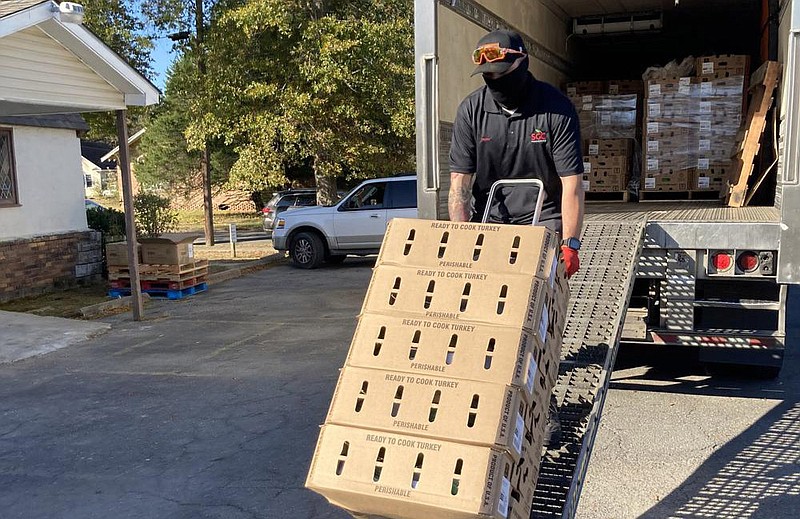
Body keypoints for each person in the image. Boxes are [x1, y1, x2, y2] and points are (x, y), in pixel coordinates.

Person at [448, 29, 585, 448]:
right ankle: (483, 404)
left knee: (533, 323)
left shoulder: (555, 110)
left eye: (502, 73)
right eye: (488, 76)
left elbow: (572, 185)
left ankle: (542, 410)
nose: (496, 83)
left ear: (522, 64)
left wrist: (571, 243)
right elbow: (459, 186)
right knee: (487, 321)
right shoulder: (473, 110)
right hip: (494, 221)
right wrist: (461, 241)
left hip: (542, 219)